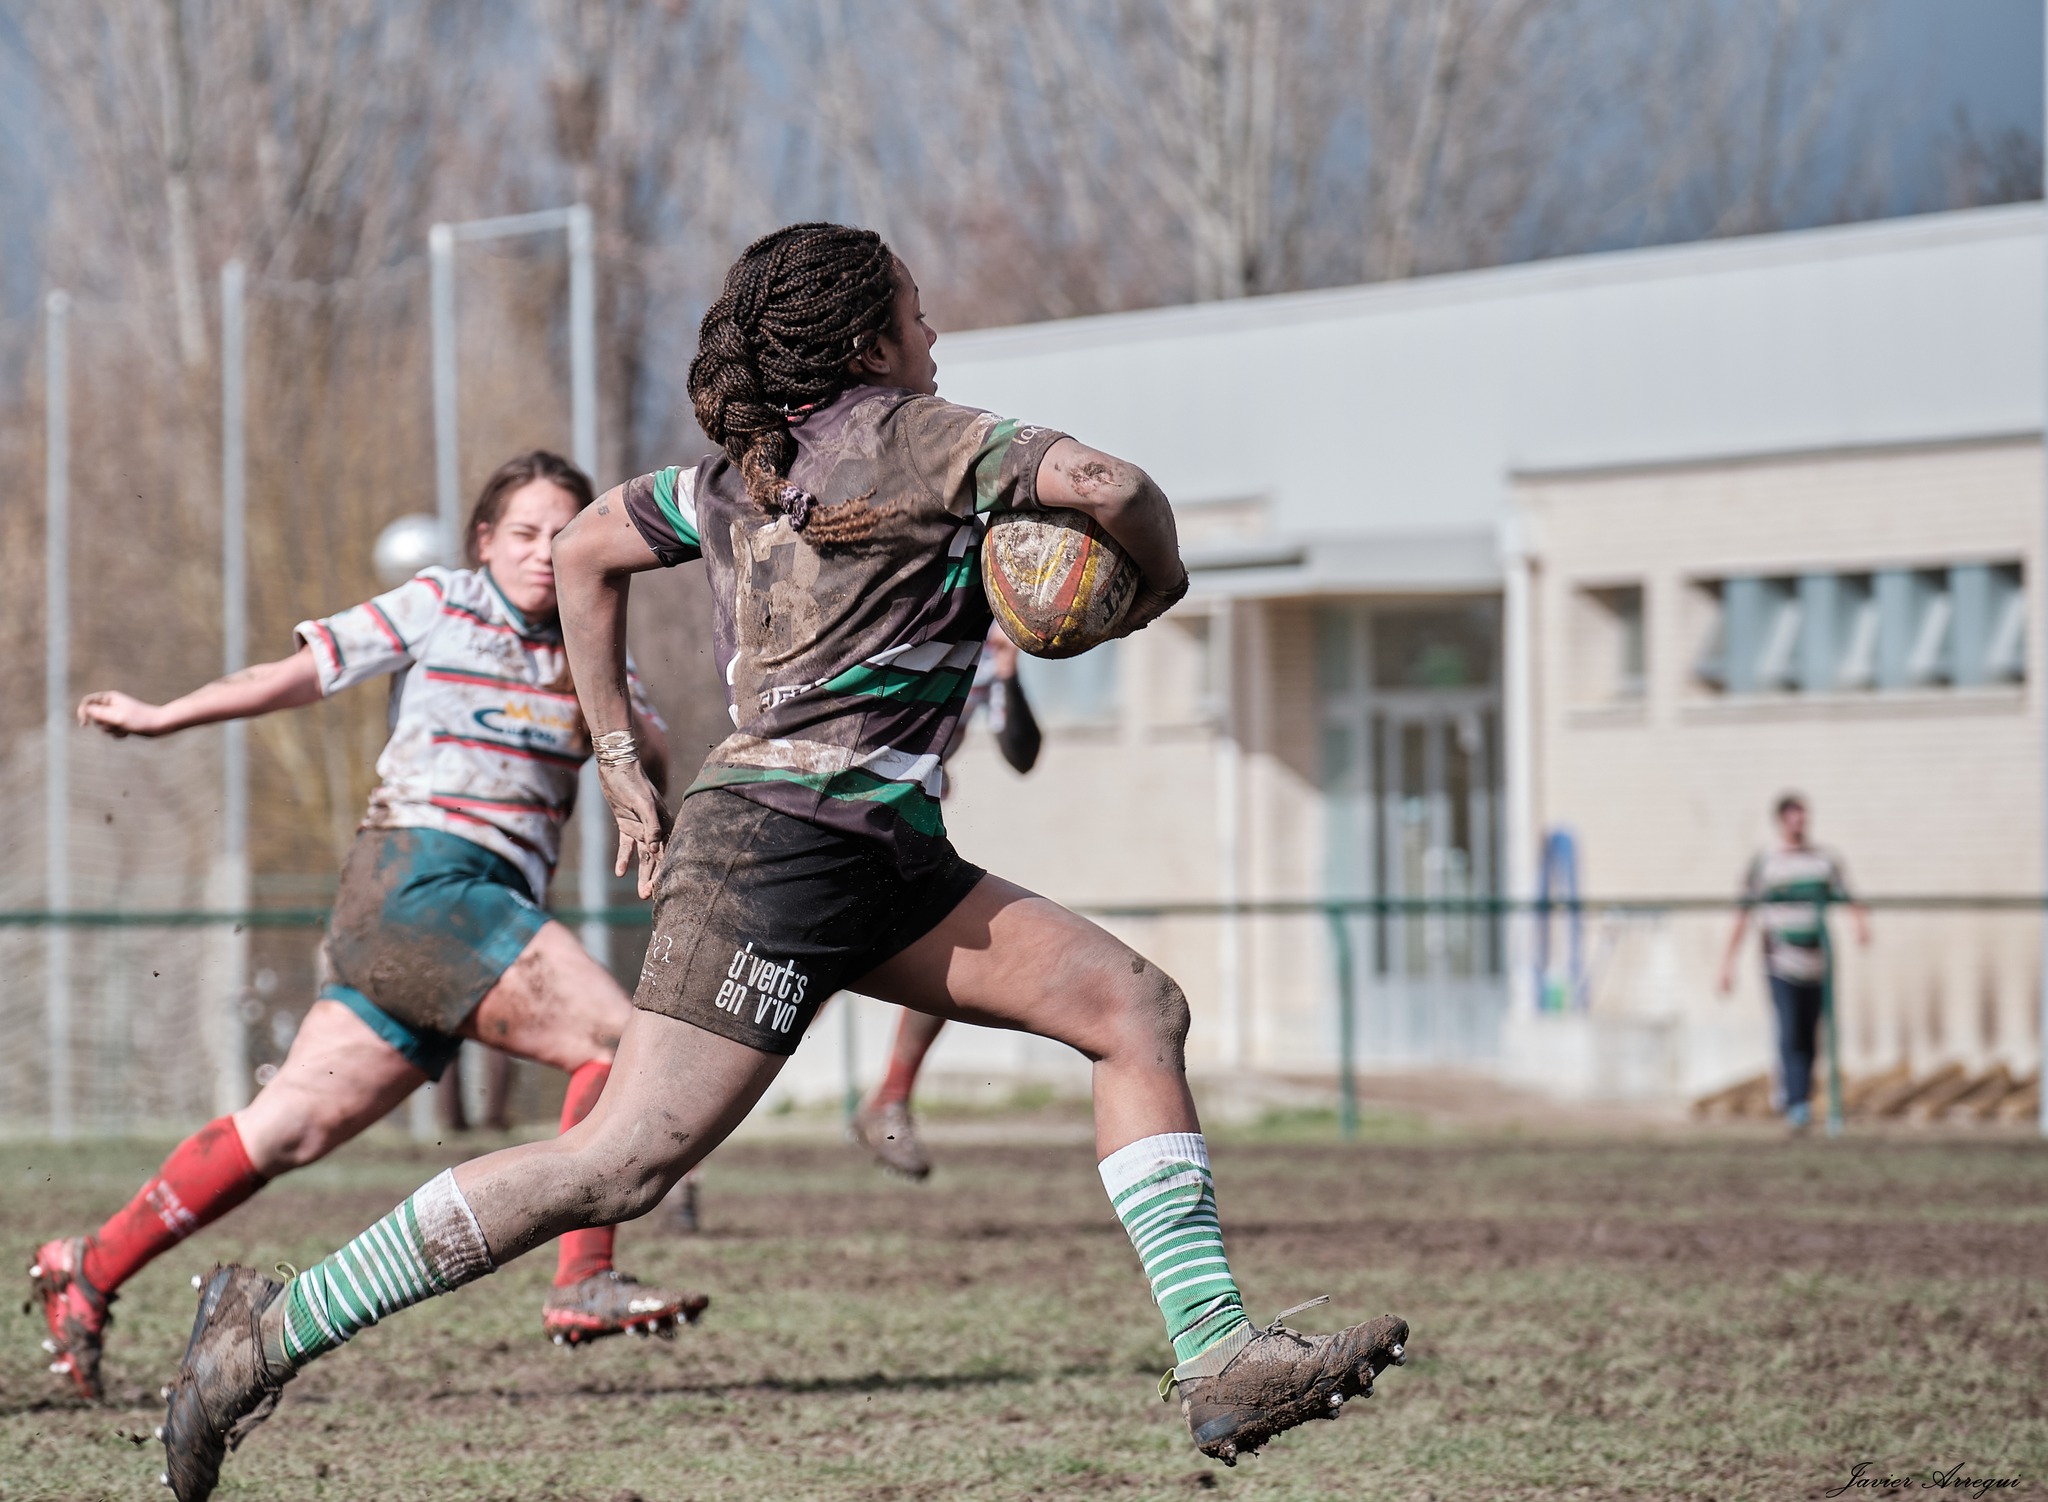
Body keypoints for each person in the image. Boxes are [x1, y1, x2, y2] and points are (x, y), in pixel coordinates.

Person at [160, 224, 1406, 1500]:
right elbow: (1107, 483)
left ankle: (1216, 1354)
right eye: (917, 315)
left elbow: (586, 546)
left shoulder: (733, 474)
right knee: (619, 1162)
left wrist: (616, 754)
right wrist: (1159, 579)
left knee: (1133, 1008)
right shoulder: (929, 436)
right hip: (784, 854)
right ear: (867, 337)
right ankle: (266, 1330)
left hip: (883, 854)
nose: (936, 338)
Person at [33, 452, 704, 1404]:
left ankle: (88, 1265)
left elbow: (651, 756)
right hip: (421, 881)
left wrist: (628, 725)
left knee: (285, 1130)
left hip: (458, 920)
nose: (540, 554)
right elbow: (299, 674)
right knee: (615, 1040)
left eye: (561, 537)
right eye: (522, 533)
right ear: (484, 541)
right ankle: (582, 1279)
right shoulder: (443, 602)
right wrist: (165, 716)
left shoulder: (592, 639)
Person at [852, 625, 1042, 1178]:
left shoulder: (985, 650)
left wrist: (1009, 673)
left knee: (952, 951)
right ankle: (677, 1149)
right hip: (827, 808)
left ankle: (890, 1099)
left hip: (899, 823)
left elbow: (1023, 754)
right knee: (797, 977)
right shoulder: (904, 610)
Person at [1717, 792, 1871, 1133]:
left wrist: (1860, 925)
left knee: (1810, 1033)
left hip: (1817, 963)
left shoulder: (1823, 861)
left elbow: (1849, 895)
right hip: (1780, 962)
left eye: (1804, 818)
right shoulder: (1767, 863)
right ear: (1782, 821)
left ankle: (1803, 1096)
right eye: (1794, 818)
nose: (1800, 824)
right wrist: (1727, 963)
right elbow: (1743, 912)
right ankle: (1795, 1102)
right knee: (1789, 1032)